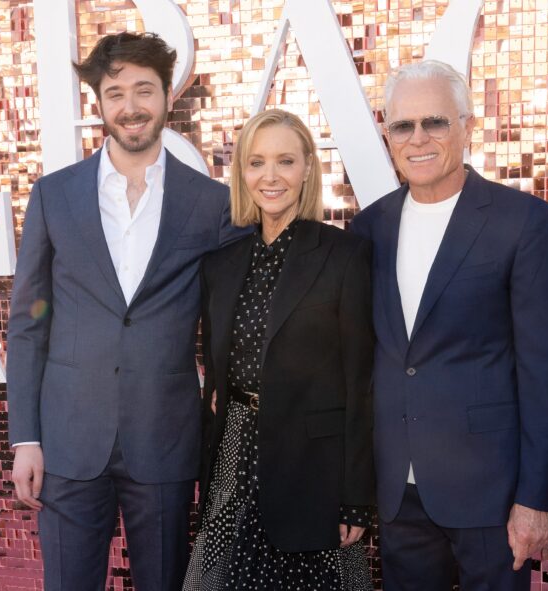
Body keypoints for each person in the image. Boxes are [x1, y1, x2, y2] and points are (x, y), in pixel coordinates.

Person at [6, 32, 248, 591]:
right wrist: (26, 438)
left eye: (144, 90)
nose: (131, 106)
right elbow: (28, 323)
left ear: (168, 97)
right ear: (99, 105)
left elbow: (234, 322)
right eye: (115, 93)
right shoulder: (53, 196)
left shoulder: (211, 203)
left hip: (164, 439)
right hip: (67, 440)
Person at [351, 60, 548, 590]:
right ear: (387, 133)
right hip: (396, 492)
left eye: (436, 122)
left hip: (491, 496)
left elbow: (546, 372)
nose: (418, 138)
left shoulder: (523, 222)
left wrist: (535, 499)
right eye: (403, 126)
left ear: (468, 126)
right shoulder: (369, 227)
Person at [182, 109, 375, 590]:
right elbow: (218, 374)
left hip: (314, 469)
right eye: (256, 162)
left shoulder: (343, 255)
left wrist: (354, 497)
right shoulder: (221, 265)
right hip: (234, 459)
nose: (270, 177)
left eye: (285, 161)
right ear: (241, 173)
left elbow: (361, 383)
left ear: (308, 168)